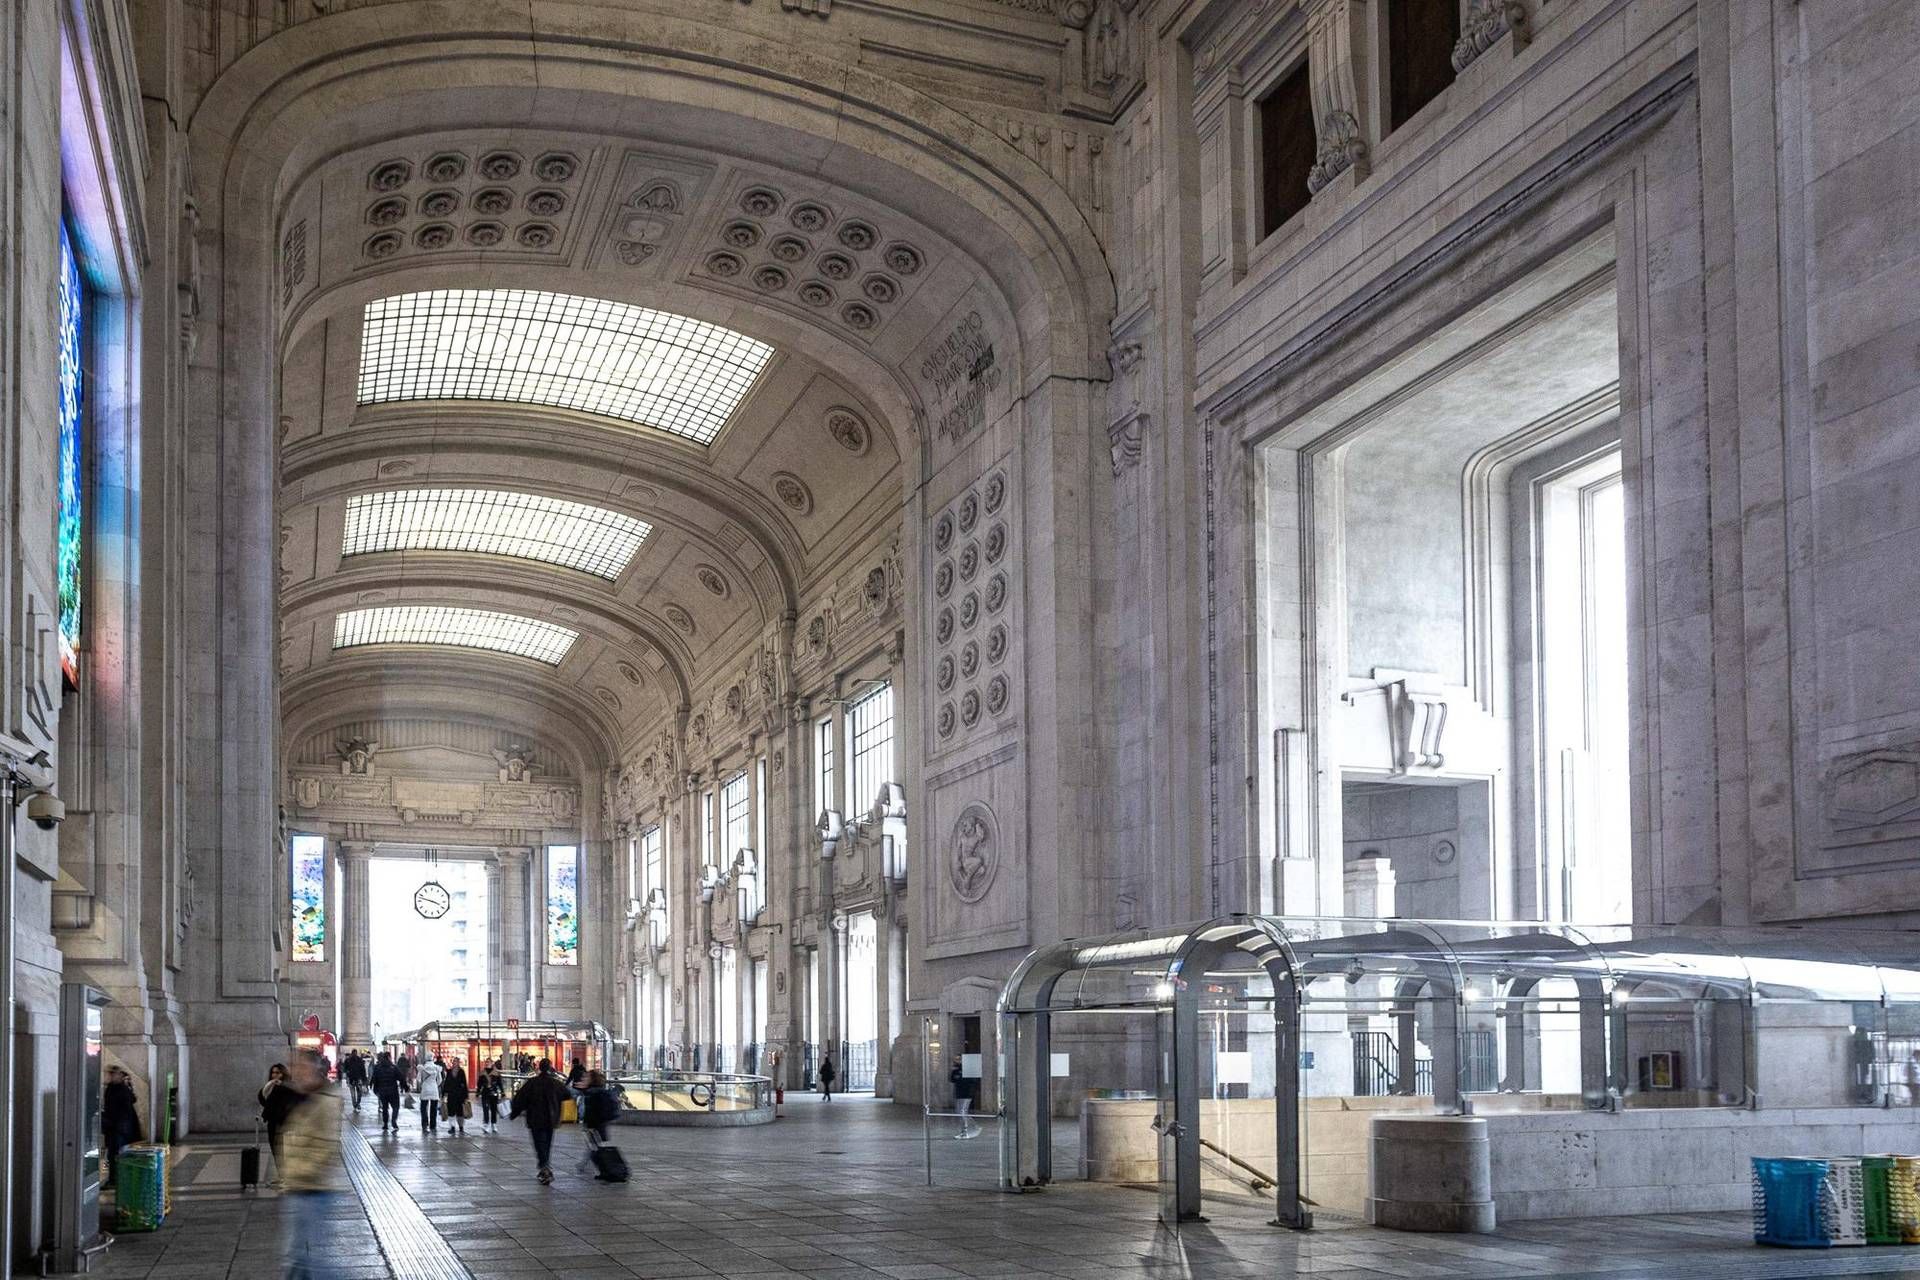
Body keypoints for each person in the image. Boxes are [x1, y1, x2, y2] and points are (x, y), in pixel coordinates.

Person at [278, 1050, 350, 1279]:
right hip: (299, 1186)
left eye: (301, 1068)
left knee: (310, 1261)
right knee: (298, 1258)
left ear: (315, 1070)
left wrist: (298, 1173)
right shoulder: (307, 1097)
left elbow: (326, 1147)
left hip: (313, 1188)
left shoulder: (326, 1101)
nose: (296, 1073)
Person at [507, 1058, 572, 1185]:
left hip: (535, 1119)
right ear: (550, 1067)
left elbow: (520, 1099)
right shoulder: (555, 1083)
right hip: (551, 1119)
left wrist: (514, 1113)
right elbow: (567, 1094)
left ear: (539, 1068)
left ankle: (544, 1167)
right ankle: (545, 1166)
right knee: (547, 1143)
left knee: (539, 1144)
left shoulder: (532, 1083)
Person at [258, 1062, 300, 1187]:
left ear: (283, 1073)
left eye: (278, 1072)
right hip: (272, 1121)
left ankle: (287, 1178)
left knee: (283, 1150)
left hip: (283, 1122)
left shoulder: (287, 1086)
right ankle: (282, 1176)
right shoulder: (270, 1087)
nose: (274, 1075)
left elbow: (295, 1092)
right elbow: (262, 1098)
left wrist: (281, 1084)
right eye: (273, 1072)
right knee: (276, 1150)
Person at [100, 1067, 142, 1188]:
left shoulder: (122, 1089)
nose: (109, 1076)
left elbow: (128, 1105)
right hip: (114, 1127)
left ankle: (118, 1179)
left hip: (120, 1129)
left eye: (112, 1074)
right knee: (111, 1155)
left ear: (119, 1075)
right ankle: (114, 1178)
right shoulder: (112, 1088)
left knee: (118, 1154)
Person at [576, 1069, 621, 1177]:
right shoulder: (595, 1091)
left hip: (595, 1125)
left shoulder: (593, 1093)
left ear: (592, 1080)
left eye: (586, 1077)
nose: (584, 1079)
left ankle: (604, 1169)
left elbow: (592, 1111)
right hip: (599, 1124)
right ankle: (593, 1167)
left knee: (595, 1147)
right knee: (594, 1146)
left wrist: (590, 1126)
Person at [948, 1055, 981, 1139]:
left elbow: (971, 1080)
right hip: (959, 1093)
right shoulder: (956, 1069)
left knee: (962, 1112)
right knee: (959, 1112)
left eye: (959, 1059)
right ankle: (970, 1128)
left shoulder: (967, 1068)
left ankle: (966, 1131)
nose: (957, 1061)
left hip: (966, 1094)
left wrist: (959, 1078)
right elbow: (952, 1079)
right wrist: (953, 1072)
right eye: (955, 1059)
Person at [370, 1051, 402, 1134]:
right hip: (393, 1091)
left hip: (382, 1091)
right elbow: (400, 1077)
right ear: (389, 1057)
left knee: (385, 1107)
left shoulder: (377, 1067)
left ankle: (385, 1124)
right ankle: (394, 1120)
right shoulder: (393, 1067)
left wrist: (374, 1088)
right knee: (396, 1106)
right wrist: (405, 1087)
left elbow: (374, 1078)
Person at [415, 1055, 444, 1133]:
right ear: (433, 1058)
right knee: (433, 1108)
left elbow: (418, 1079)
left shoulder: (422, 1068)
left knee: (424, 1108)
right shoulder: (436, 1068)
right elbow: (440, 1080)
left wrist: (423, 1084)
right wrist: (435, 1084)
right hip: (434, 1089)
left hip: (425, 1089)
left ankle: (424, 1124)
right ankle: (433, 1125)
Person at [442, 1060, 470, 1136]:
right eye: (453, 1062)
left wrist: (466, 1096)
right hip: (451, 1095)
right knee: (451, 1112)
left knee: (460, 1112)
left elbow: (464, 1083)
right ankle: (452, 1127)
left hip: (460, 1095)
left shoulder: (461, 1072)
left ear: (458, 1063)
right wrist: (444, 1093)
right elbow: (446, 1083)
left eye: (456, 1062)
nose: (454, 1063)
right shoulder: (449, 1072)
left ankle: (461, 1127)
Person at [476, 1064, 504, 1133]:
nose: (487, 1063)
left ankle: (493, 1124)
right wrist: (478, 1091)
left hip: (494, 1093)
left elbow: (499, 1083)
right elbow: (479, 1083)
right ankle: (486, 1124)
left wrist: (502, 1092)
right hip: (485, 1093)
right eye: (486, 1062)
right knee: (485, 1109)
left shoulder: (496, 1073)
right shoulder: (482, 1073)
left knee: (493, 1109)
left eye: (489, 1062)